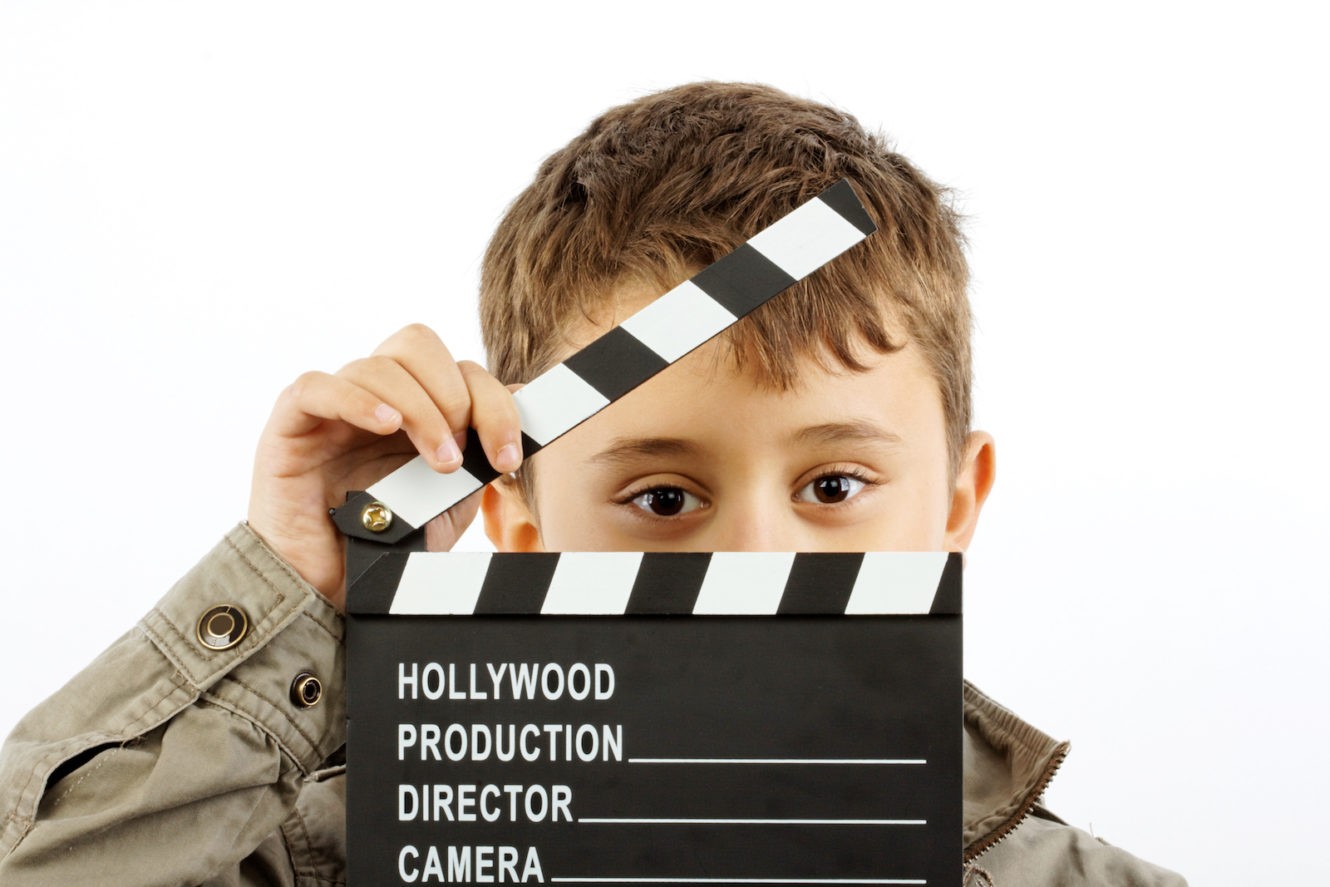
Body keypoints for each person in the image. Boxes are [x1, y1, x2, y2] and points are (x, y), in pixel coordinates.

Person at [0, 82, 1185, 886]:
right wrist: (295, 588)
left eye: (833, 484)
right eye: (663, 499)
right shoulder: (331, 855)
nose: (757, 563)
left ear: (956, 502)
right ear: (518, 519)